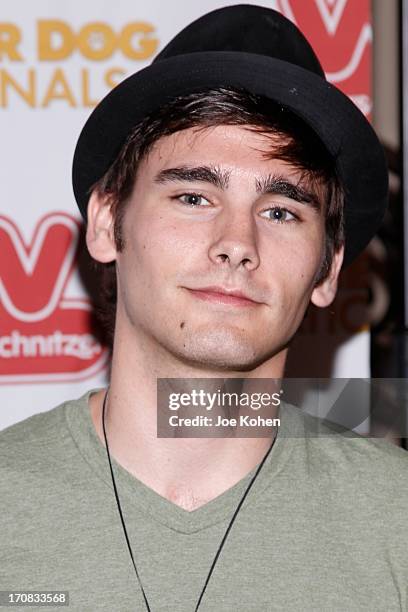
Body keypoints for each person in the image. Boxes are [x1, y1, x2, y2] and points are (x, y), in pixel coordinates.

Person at [1, 5, 407, 612]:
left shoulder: (395, 520)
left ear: (327, 269)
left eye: (281, 211)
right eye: (193, 196)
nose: (237, 244)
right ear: (108, 223)